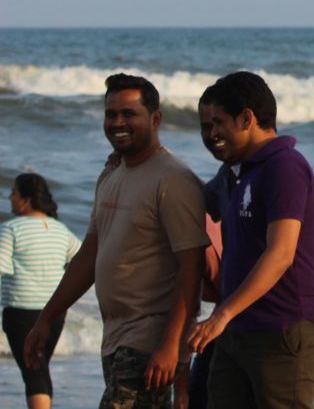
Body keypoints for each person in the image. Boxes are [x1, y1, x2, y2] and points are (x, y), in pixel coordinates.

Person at [24, 73, 208, 407]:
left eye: (129, 114)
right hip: (115, 338)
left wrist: (170, 344)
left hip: (149, 341)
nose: (117, 122)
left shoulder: (173, 180)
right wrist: (46, 318)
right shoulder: (111, 174)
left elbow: (191, 268)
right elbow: (89, 256)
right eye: (111, 114)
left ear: (155, 119)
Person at [186, 71, 314, 407]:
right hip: (237, 332)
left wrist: (311, 333)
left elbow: (283, 253)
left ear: (247, 118)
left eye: (217, 124)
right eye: (205, 127)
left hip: (282, 329)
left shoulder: (285, 166)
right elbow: (188, 198)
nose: (210, 136)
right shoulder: (233, 174)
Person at [0, 174, 80, 409]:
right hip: (55, 313)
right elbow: (82, 260)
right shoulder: (60, 230)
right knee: (39, 368)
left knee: (33, 372)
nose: (10, 198)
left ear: (25, 199)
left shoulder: (11, 229)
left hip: (21, 312)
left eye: (13, 193)